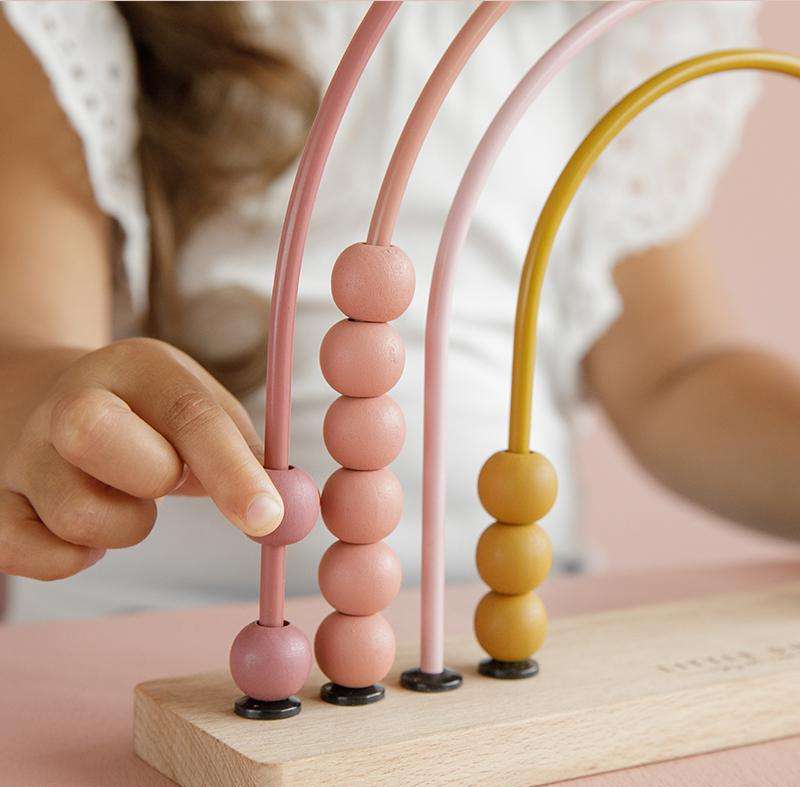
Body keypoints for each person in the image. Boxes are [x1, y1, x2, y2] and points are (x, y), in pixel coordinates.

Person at [2, 1, 795, 622]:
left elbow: (675, 373)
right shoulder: (94, 18)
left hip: (513, 627)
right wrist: (48, 408)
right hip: (138, 640)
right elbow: (29, 349)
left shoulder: (589, 29)